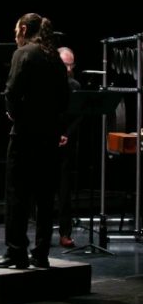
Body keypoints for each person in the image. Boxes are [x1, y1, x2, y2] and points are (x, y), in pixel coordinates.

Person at [0, 14, 69, 269]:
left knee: (17, 195)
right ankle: (41, 254)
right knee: (45, 197)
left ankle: (16, 252)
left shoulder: (23, 53)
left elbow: (11, 92)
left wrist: (15, 114)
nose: (15, 35)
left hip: (25, 135)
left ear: (23, 29)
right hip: (49, 136)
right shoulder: (55, 57)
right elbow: (64, 99)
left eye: (16, 30)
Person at [57, 46, 82, 249]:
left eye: (70, 65)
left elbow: (78, 115)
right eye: (64, 64)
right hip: (46, 139)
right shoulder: (45, 84)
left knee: (64, 191)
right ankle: (41, 234)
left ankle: (65, 232)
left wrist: (67, 134)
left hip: (65, 141)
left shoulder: (75, 85)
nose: (67, 68)